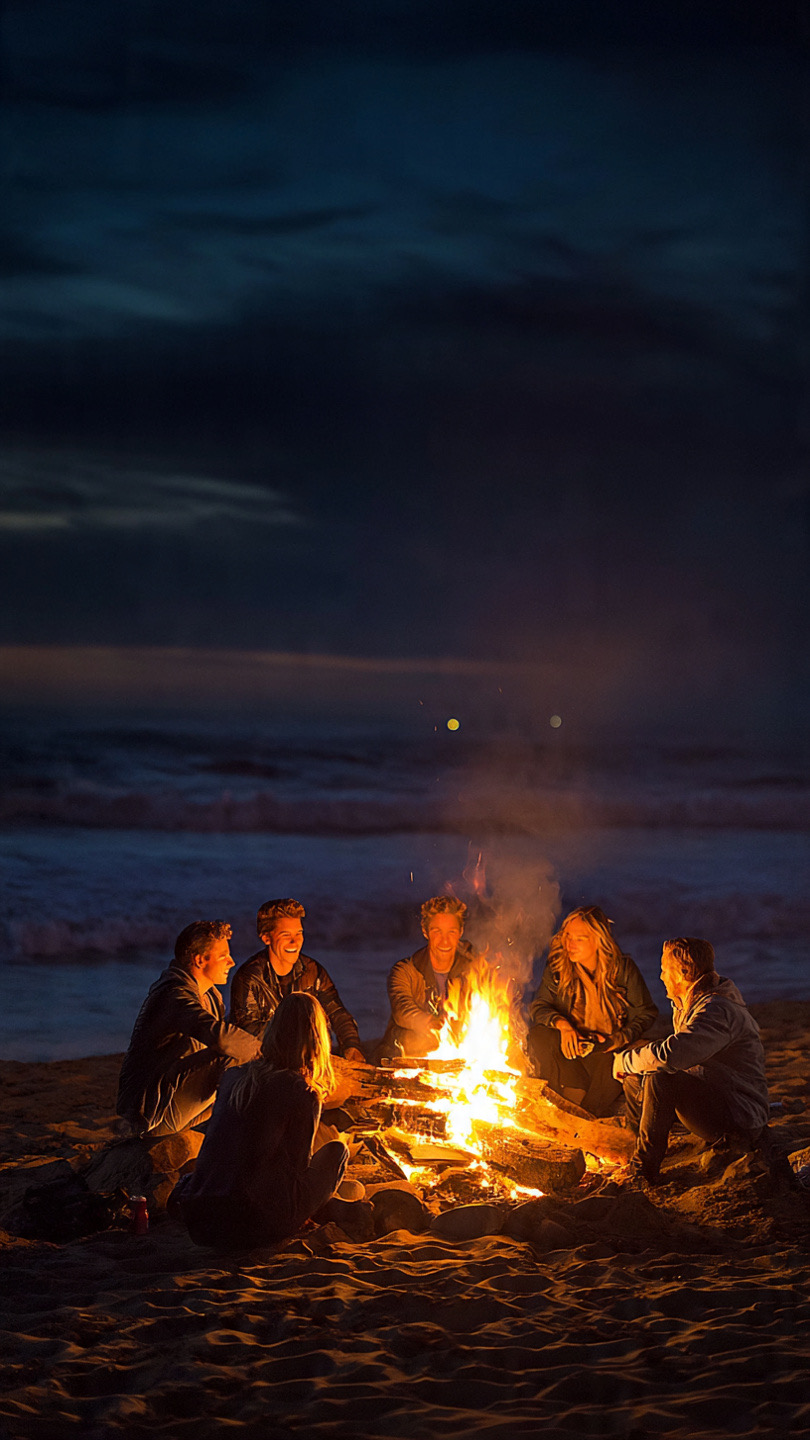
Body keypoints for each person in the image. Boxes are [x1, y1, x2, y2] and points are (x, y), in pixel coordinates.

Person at [171, 992, 351, 1247]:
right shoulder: (302, 1091)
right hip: (254, 1223)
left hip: (200, 1222)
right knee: (337, 1151)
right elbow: (298, 1167)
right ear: (317, 1039)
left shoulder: (233, 1077)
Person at [612, 936, 770, 1185]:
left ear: (683, 972)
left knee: (659, 1077)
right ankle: (633, 1150)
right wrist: (630, 1065)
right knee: (636, 1074)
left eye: (665, 970)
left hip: (739, 1118)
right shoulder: (690, 1002)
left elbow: (672, 1056)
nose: (661, 976)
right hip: (714, 1094)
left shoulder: (717, 1010)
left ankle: (643, 1170)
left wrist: (623, 1061)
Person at [117, 920, 261, 1139]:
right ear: (200, 960)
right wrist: (269, 1052)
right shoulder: (173, 995)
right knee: (231, 1056)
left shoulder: (211, 995)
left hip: (178, 1100)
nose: (232, 962)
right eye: (223, 956)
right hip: (152, 1113)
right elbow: (221, 1039)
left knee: (249, 1044)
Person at [527, 905, 657, 1117]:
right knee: (539, 1036)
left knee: (614, 1064)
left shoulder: (622, 970)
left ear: (598, 939)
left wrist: (617, 1039)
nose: (570, 944)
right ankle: (550, 1101)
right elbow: (539, 1007)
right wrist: (564, 1027)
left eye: (580, 938)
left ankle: (585, 1115)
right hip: (571, 1049)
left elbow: (646, 1013)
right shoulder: (559, 968)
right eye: (567, 936)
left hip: (606, 1051)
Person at [229, 899, 365, 1062]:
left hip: (313, 1059)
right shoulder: (249, 977)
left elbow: (337, 1012)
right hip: (266, 1064)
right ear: (266, 938)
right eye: (286, 935)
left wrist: (351, 1045)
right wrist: (299, 1039)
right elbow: (248, 1029)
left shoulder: (313, 971)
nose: (295, 941)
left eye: (298, 933)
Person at [379, 895, 483, 1059]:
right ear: (425, 931)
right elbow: (402, 1008)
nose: (445, 941)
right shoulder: (405, 971)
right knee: (413, 1037)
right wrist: (428, 1022)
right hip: (412, 1051)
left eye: (452, 932)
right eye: (437, 932)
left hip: (461, 1050)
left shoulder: (475, 970)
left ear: (460, 932)